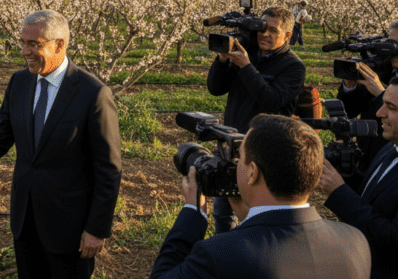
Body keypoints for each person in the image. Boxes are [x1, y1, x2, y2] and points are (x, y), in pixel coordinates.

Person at [0, 9, 122, 279]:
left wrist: (97, 228)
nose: (24, 51)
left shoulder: (93, 94)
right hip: (25, 221)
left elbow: (109, 169)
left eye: (33, 44)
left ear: (59, 44)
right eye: (22, 43)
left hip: (69, 228)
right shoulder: (20, 82)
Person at [151, 114, 370, 279]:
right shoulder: (355, 241)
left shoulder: (219, 254)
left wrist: (193, 213)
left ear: (252, 172)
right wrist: (249, 221)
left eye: (240, 158)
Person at [206, 6, 305, 233]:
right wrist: (223, 60)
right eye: (261, 29)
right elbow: (215, 88)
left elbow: (271, 101)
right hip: (231, 144)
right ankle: (226, 257)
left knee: (256, 213)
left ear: (287, 35)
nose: (265, 34)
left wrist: (246, 67)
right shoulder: (247, 51)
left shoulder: (293, 66)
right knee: (223, 212)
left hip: (264, 152)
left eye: (272, 30)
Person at [320, 76, 398, 279]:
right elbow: (373, 198)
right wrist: (347, 175)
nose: (380, 113)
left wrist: (339, 194)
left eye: (392, 108)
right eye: (382, 104)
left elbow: (393, 240)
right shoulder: (390, 148)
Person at [336, 20, 398, 176]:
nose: (392, 51)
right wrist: (349, 84)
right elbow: (348, 111)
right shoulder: (381, 68)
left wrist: (380, 92)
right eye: (390, 43)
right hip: (368, 159)